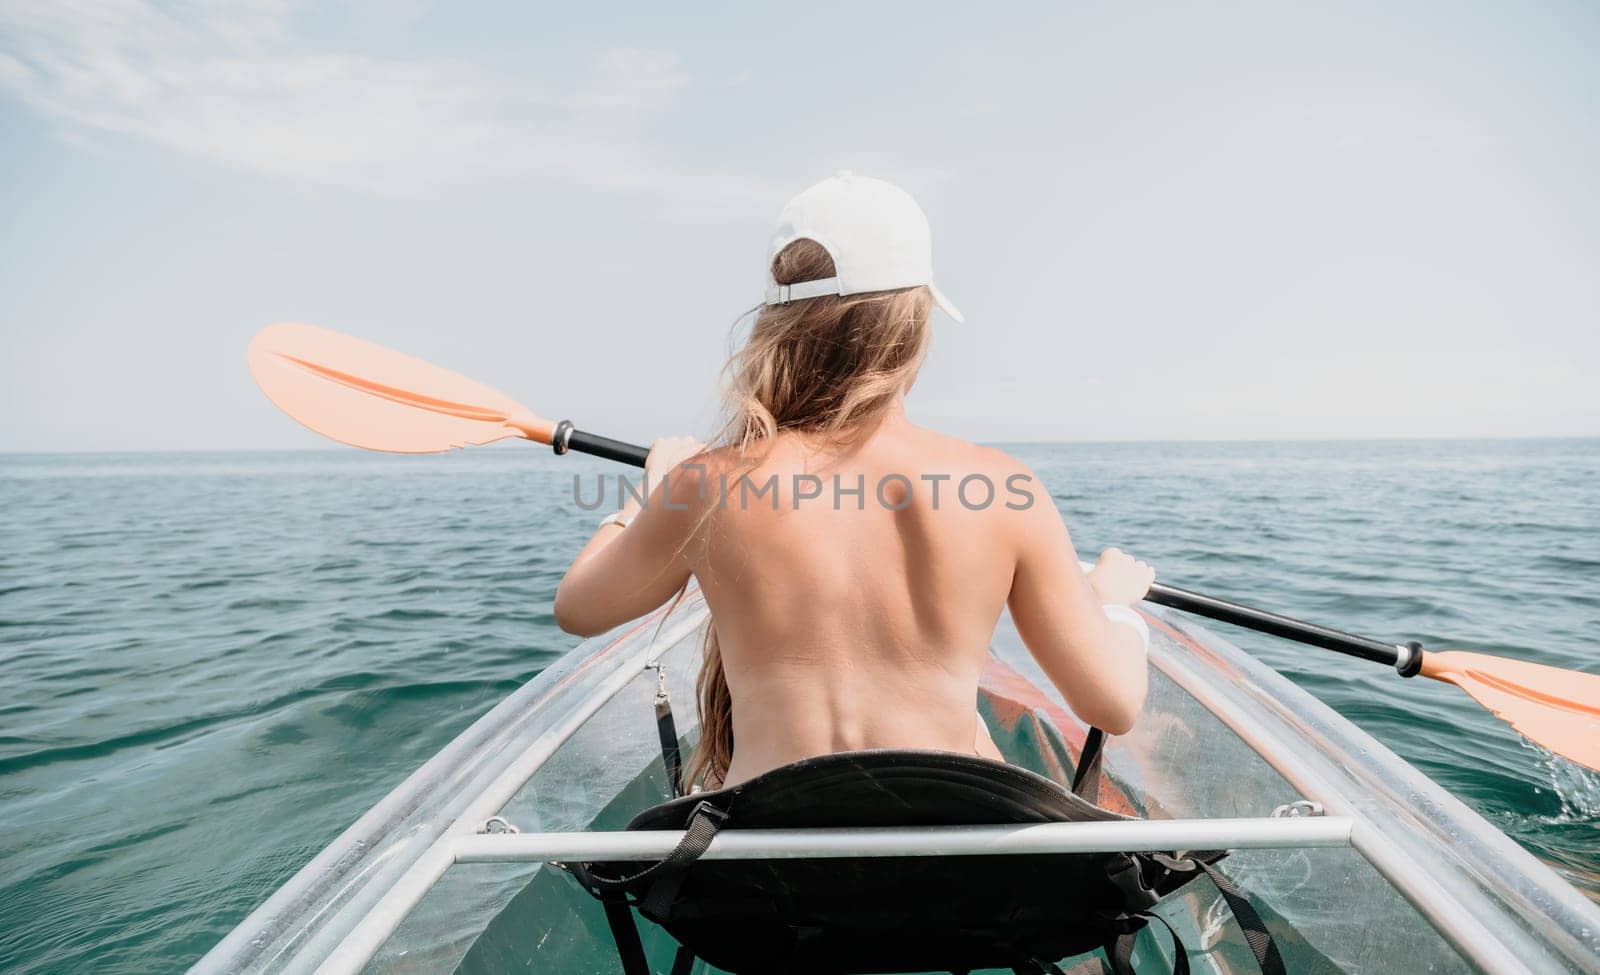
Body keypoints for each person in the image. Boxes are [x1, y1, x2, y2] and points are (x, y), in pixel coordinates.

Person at [555, 172, 1155, 790]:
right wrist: (1113, 606)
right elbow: (1113, 704)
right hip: (953, 857)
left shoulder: (703, 487)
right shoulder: (1003, 487)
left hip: (769, 863)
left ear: (776, 325)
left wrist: (646, 498)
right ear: (914, 324)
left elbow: (579, 607)